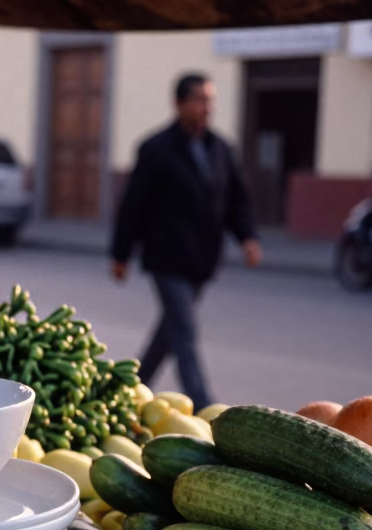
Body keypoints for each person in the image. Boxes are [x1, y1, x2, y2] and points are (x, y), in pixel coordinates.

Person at [111, 73, 261, 413]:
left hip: (202, 260)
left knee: (169, 332)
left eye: (210, 101)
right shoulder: (156, 149)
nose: (207, 108)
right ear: (179, 103)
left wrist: (248, 237)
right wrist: (121, 254)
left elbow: (237, 200)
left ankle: (129, 390)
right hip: (166, 258)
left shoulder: (220, 149)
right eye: (199, 100)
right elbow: (134, 204)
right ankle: (207, 408)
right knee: (184, 333)